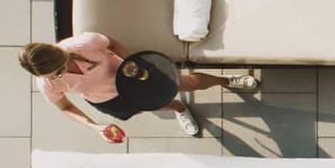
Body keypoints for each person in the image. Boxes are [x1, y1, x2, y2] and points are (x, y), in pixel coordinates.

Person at [20, 32, 260, 140]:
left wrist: (130, 63)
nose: (59, 76)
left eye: (59, 69)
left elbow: (112, 43)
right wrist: (94, 127)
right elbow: (65, 107)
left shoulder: (84, 44)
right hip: (109, 99)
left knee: (191, 82)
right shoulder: (47, 83)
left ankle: (227, 80)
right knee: (156, 105)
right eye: (53, 76)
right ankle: (179, 109)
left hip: (134, 75)